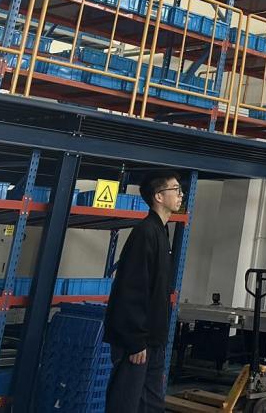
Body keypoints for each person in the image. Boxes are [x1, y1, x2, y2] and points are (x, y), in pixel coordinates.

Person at [104, 170, 184, 413]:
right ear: (158, 196)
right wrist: (136, 341)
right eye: (176, 189)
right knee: (125, 404)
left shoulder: (161, 231)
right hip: (137, 343)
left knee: (151, 406)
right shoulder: (146, 232)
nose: (181, 195)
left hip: (153, 341)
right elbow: (131, 290)